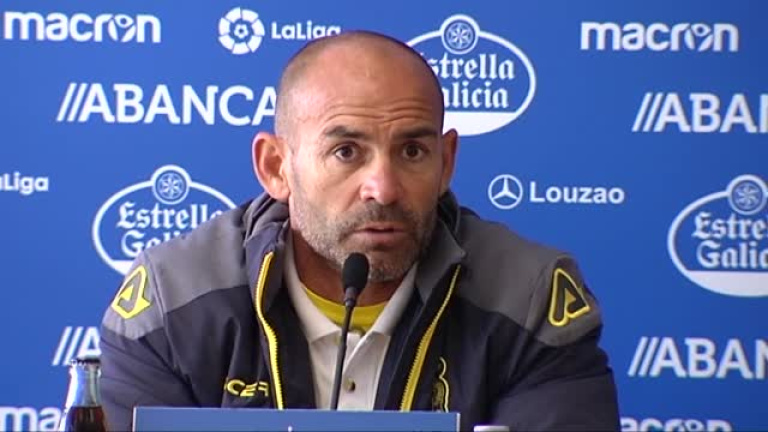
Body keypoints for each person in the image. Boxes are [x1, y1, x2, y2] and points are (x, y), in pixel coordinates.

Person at [99, 30, 620, 431]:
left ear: (446, 162)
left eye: (412, 151)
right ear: (276, 167)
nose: (383, 188)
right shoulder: (173, 301)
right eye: (346, 152)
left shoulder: (528, 299)